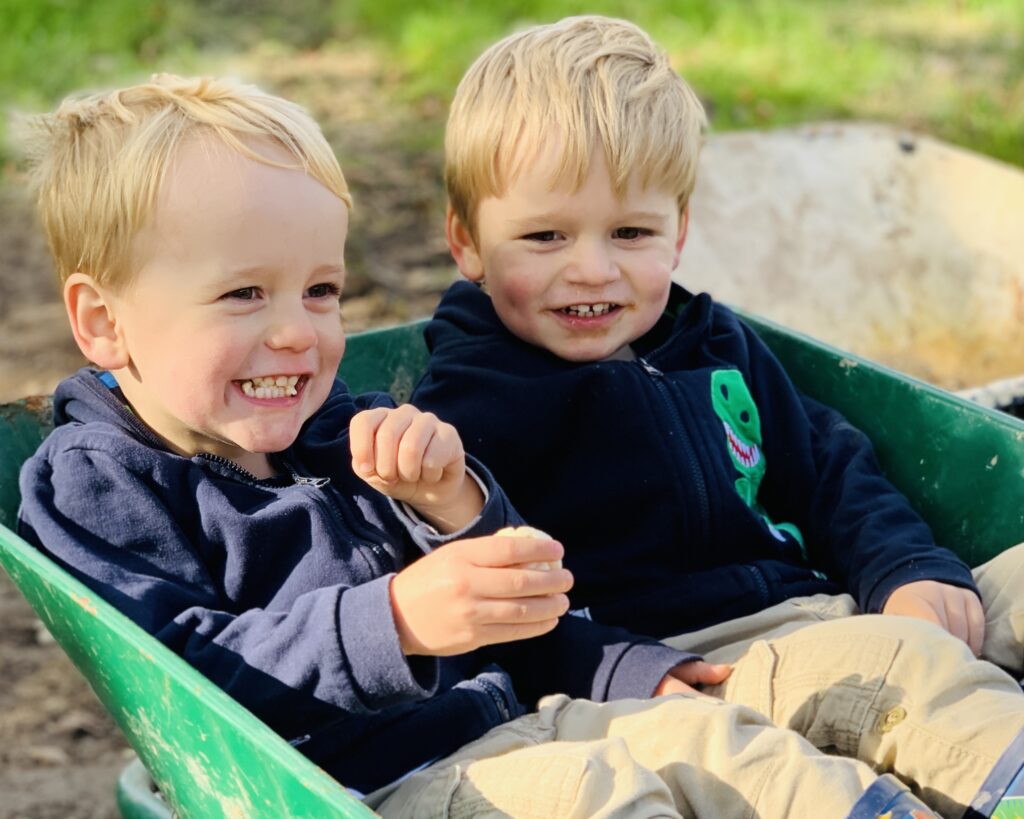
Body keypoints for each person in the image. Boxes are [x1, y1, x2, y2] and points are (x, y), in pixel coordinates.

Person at [11, 72, 946, 819]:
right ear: (104, 322)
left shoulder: (342, 428)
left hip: (517, 721)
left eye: (322, 291)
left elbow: (512, 603)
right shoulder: (97, 482)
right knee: (607, 795)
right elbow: (185, 676)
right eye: (245, 295)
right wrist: (399, 621)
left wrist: (460, 509)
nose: (298, 333)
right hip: (374, 783)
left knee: (729, 745)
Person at [411, 14, 1024, 819]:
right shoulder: (468, 404)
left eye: (631, 232)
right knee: (907, 671)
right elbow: (487, 604)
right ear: (467, 242)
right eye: (545, 235)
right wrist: (623, 664)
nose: (592, 268)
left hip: (824, 605)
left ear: (681, 231)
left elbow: (830, 466)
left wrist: (907, 566)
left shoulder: (711, 341)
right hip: (702, 659)